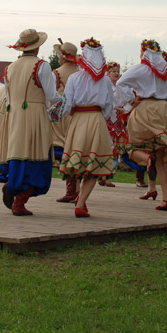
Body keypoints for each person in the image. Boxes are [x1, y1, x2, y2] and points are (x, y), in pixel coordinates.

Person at [115, 40, 167, 211]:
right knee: (160, 157)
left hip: (145, 109)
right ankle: (166, 198)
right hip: (165, 110)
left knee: (132, 146)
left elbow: (121, 83)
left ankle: (149, 164)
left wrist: (130, 99)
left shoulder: (141, 69)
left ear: (144, 52)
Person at [0, 28, 63, 216]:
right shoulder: (41, 65)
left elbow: (8, 97)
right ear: (37, 47)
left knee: (19, 153)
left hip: (15, 115)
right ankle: (19, 200)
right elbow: (52, 96)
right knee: (38, 155)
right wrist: (66, 101)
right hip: (34, 114)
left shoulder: (10, 67)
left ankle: (12, 185)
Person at [57, 37, 115, 217]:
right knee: (94, 164)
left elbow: (66, 105)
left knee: (79, 161)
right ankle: (81, 202)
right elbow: (109, 106)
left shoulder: (74, 78)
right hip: (97, 119)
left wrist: (57, 115)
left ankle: (80, 200)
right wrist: (99, 116)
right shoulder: (105, 81)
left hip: (79, 120)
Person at [51, 41, 82, 202]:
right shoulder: (81, 73)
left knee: (65, 150)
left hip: (61, 115)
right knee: (76, 150)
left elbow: (51, 94)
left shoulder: (56, 73)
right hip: (78, 115)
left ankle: (72, 190)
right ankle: (76, 189)